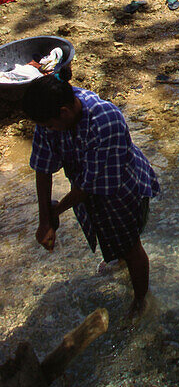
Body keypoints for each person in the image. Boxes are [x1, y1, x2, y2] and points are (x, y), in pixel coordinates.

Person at [24, 75, 160, 317]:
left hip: (122, 188)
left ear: (64, 112)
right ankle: (119, 263)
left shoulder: (105, 120)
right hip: (88, 188)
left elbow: (88, 187)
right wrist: (44, 219)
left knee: (130, 247)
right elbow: (43, 167)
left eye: (49, 126)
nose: (47, 130)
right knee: (113, 240)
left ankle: (141, 301)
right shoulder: (50, 114)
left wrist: (55, 212)